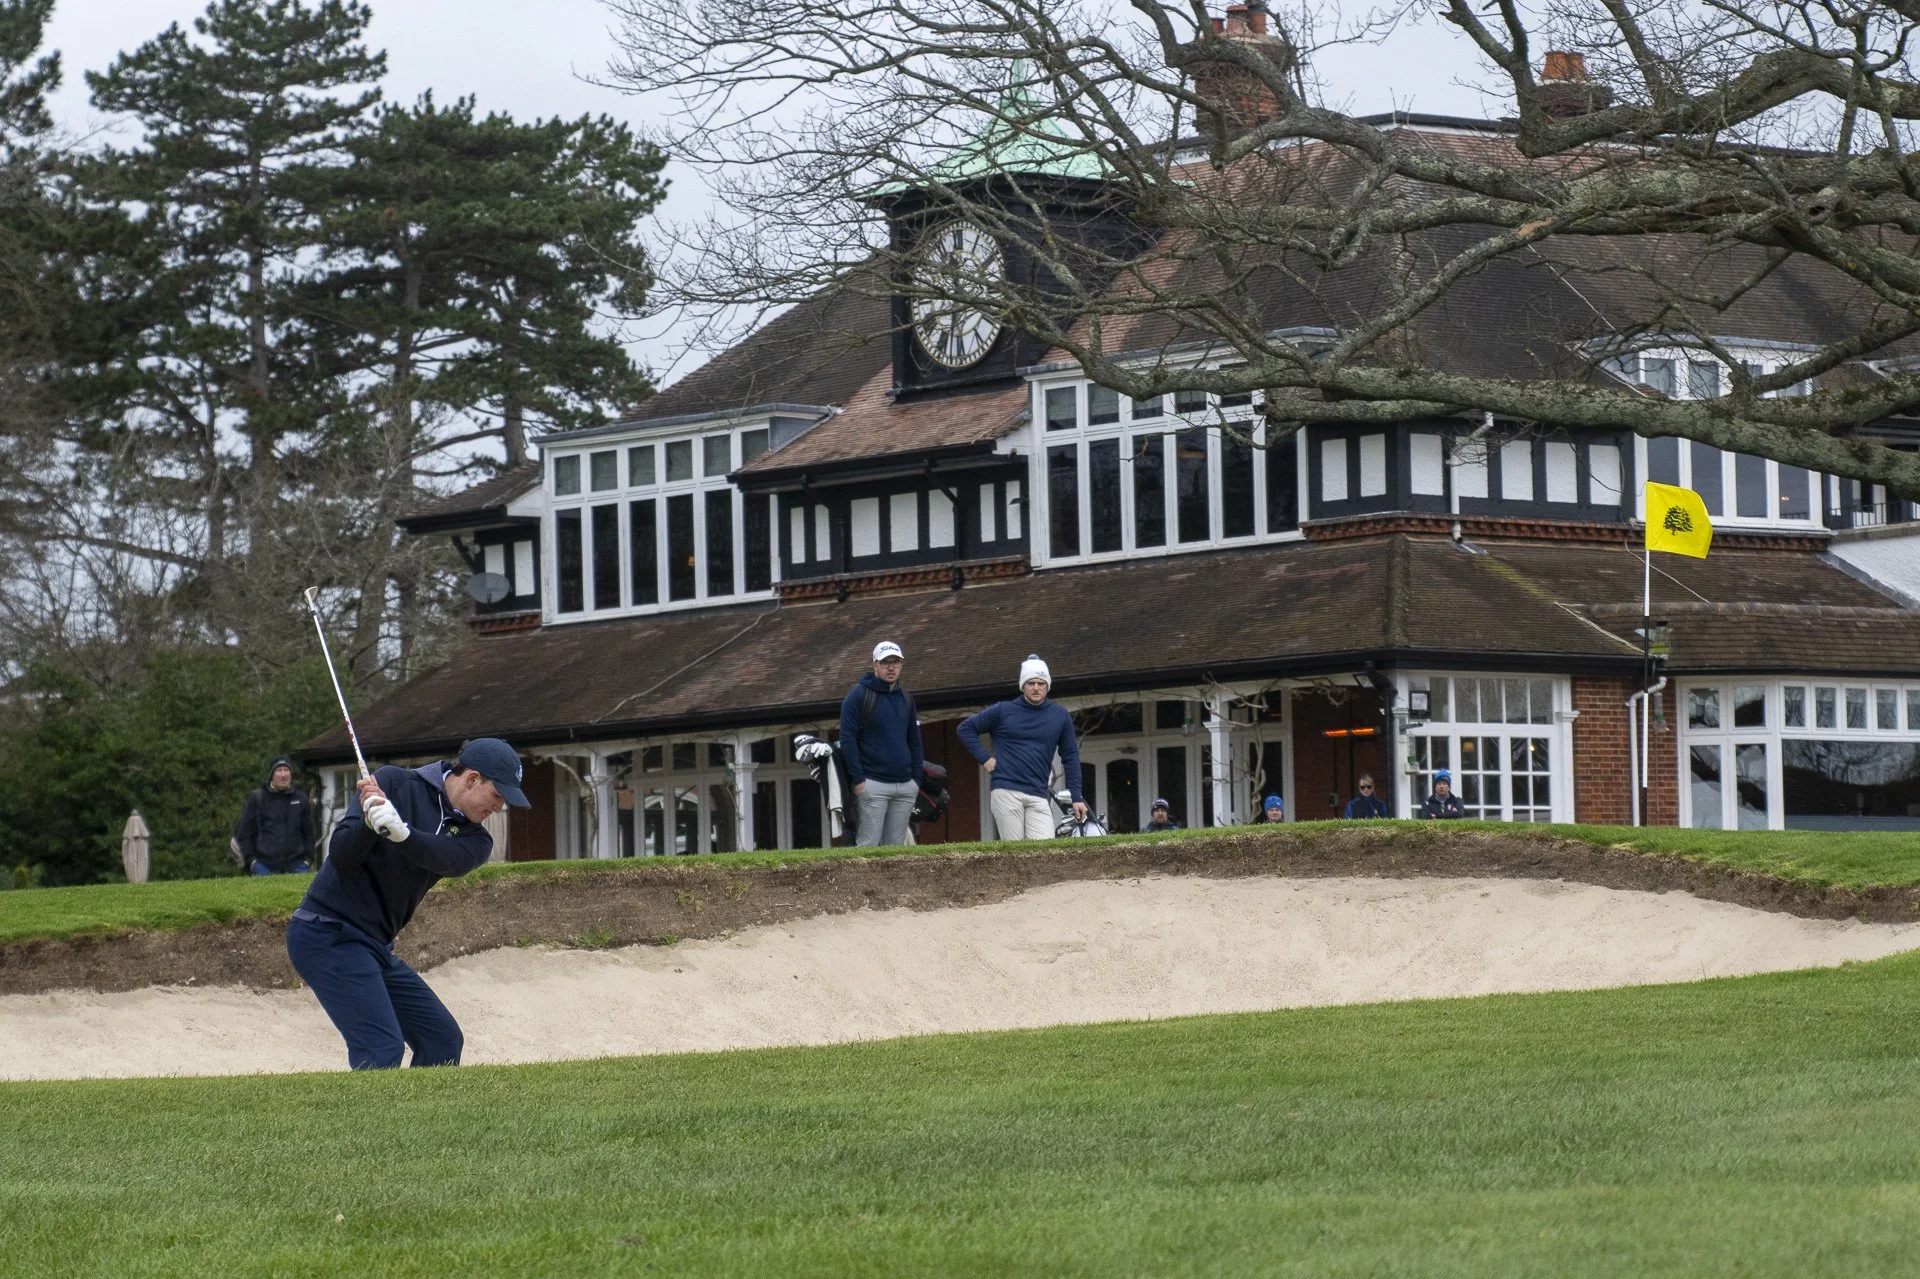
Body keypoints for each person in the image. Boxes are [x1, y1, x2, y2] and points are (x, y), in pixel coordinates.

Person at [286, 738, 529, 1070]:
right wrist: (370, 825)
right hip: (326, 934)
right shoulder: (392, 783)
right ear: (472, 779)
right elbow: (341, 856)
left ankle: (422, 1119)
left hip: (374, 946)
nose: (498, 807)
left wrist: (403, 834)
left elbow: (446, 857)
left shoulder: (476, 839)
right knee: (381, 1047)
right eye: (497, 795)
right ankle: (370, 1122)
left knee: (441, 1040)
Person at [957, 654, 1085, 840]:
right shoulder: (1003, 710)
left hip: (1038, 794)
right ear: (1023, 685)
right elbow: (965, 728)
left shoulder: (1060, 715)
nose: (1035, 687)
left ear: (1047, 686)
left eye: (1041, 683)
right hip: (1006, 790)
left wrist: (1076, 797)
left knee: (1043, 852)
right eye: (1030, 682)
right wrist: (984, 757)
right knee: (1014, 853)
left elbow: (1071, 756)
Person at [839, 640, 925, 848]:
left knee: (895, 848)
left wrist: (916, 779)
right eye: (886, 662)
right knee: (868, 846)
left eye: (896, 662)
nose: (891, 667)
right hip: (872, 783)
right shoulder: (858, 696)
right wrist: (859, 779)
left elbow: (914, 740)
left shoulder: (906, 698)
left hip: (905, 785)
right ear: (875, 665)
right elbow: (847, 739)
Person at [233, 756, 318, 875]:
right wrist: (252, 862)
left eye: (286, 770)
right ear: (271, 775)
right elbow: (244, 833)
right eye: (279, 770)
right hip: (264, 866)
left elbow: (309, 834)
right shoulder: (257, 799)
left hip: (297, 866)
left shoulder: (301, 799)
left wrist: (307, 860)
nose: (283, 775)